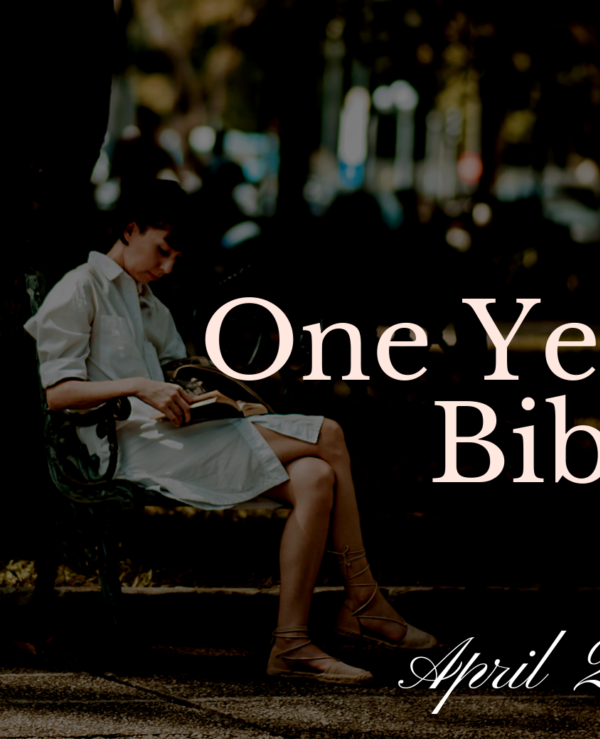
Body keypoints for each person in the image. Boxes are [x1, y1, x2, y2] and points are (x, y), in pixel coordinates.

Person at [24, 180, 436, 685]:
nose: (168, 266)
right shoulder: (79, 287)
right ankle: (365, 601)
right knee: (328, 434)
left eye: (177, 255)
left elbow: (180, 371)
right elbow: (57, 393)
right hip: (123, 449)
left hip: (173, 438)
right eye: (162, 250)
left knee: (313, 477)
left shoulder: (147, 301)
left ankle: (291, 644)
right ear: (129, 230)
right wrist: (140, 388)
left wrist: (218, 398)